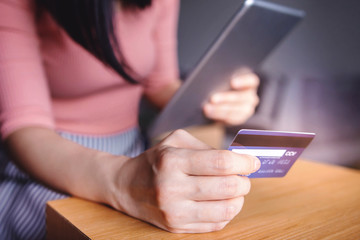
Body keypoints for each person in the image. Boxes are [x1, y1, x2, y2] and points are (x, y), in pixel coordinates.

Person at [0, 0, 260, 239]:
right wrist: (122, 180)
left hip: (133, 151)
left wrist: (215, 99)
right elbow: (24, 127)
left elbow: (159, 84)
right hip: (50, 161)